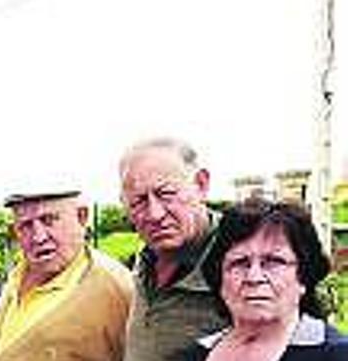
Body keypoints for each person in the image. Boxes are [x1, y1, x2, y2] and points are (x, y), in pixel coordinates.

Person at [179, 197, 348, 360]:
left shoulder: (337, 353)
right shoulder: (193, 355)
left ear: (303, 276)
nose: (254, 277)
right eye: (240, 263)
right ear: (220, 279)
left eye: (274, 262)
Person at [0, 189, 133, 361]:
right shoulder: (16, 276)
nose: (39, 237)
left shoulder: (115, 287)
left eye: (48, 220)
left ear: (81, 217)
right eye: (26, 225)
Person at [119, 137, 229, 361]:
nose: (155, 214)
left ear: (201, 184)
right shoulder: (144, 260)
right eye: (138, 201)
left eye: (166, 194)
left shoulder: (246, 263)